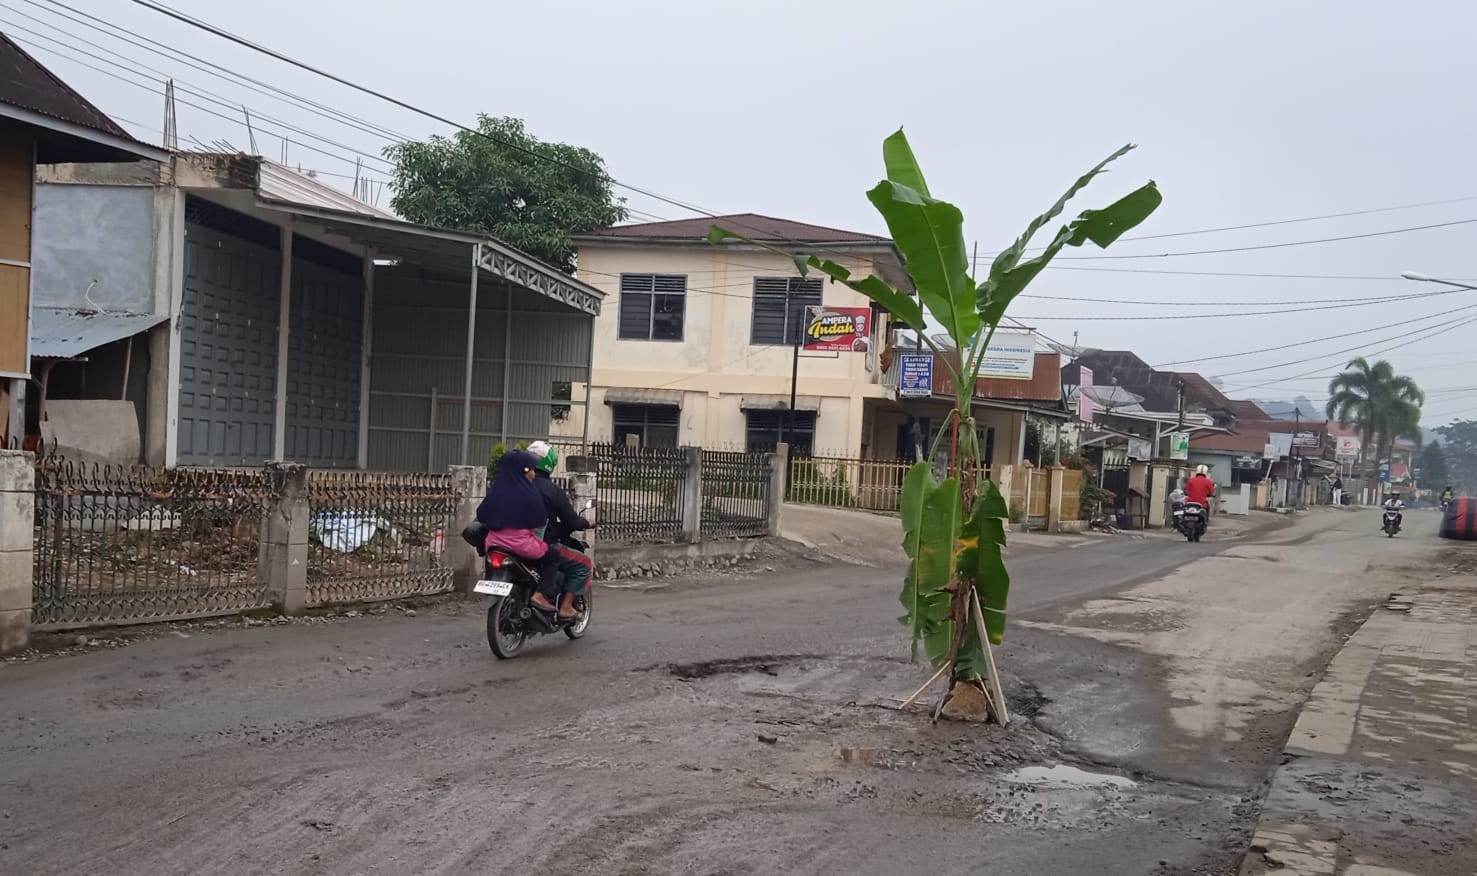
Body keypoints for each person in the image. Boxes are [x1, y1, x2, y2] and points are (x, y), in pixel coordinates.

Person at [477, 449, 564, 614]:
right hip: (521, 545)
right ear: (523, 470)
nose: (533, 473)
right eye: (531, 469)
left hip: (494, 543)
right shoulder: (529, 493)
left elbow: (482, 515)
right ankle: (539, 595)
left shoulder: (496, 491)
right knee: (554, 557)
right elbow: (539, 522)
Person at [527, 440, 594, 620]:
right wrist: (587, 523)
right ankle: (565, 607)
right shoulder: (552, 490)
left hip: (506, 544)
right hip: (539, 545)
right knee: (584, 564)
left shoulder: (517, 484)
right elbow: (571, 521)